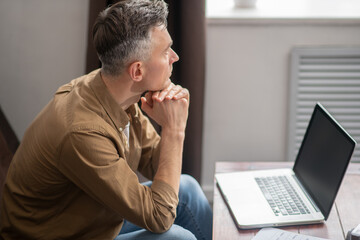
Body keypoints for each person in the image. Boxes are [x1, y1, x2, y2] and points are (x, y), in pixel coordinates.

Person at [0, 0, 213, 239]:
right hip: (57, 235)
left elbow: (156, 165)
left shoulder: (118, 92)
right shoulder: (82, 132)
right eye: (165, 52)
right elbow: (159, 216)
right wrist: (174, 130)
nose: (175, 57)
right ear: (138, 71)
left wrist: (170, 124)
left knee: (189, 191)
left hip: (94, 215)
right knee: (178, 238)